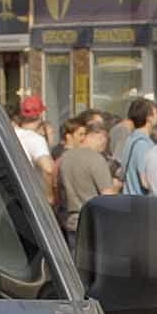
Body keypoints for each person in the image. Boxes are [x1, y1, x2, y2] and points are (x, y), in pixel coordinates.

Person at [53, 108, 118, 254]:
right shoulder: (96, 160)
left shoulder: (65, 158)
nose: (104, 144)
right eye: (105, 139)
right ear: (100, 136)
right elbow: (109, 198)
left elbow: (58, 190)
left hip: (71, 223)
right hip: (94, 225)